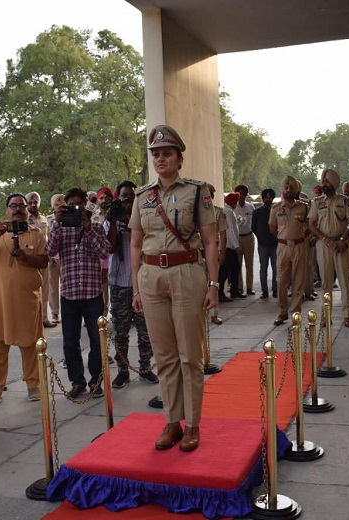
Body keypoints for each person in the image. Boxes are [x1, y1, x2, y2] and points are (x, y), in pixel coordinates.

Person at [130, 124, 219, 453]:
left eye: (167, 153)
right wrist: (135, 288)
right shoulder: (143, 196)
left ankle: (193, 424)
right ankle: (172, 421)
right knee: (164, 356)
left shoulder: (198, 192)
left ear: (180, 158)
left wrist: (213, 284)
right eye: (156, 154)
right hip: (151, 278)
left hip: (186, 273)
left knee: (189, 356)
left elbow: (210, 241)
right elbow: (135, 244)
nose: (160, 158)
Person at [0, 193, 49, 405]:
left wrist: (26, 258)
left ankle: (33, 385)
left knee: (29, 343)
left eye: (21, 206)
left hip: (26, 300)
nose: (18, 209)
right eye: (13, 206)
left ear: (27, 210)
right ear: (6, 210)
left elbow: (44, 262)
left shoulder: (36, 234)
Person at [47, 187, 110, 398]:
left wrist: (88, 228)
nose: (76, 209)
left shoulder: (96, 228)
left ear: (86, 205)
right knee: (70, 342)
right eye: (70, 206)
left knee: (96, 340)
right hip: (70, 296)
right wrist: (57, 223)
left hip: (92, 293)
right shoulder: (60, 228)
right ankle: (77, 382)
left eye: (79, 205)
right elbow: (49, 251)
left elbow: (104, 253)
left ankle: (96, 381)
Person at [106, 181, 158, 388]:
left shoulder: (144, 218)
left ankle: (145, 368)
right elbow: (110, 248)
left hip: (143, 282)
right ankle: (123, 371)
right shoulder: (111, 220)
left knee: (146, 331)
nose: (126, 200)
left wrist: (130, 218)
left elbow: (146, 243)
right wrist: (112, 220)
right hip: (119, 283)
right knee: (120, 331)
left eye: (131, 197)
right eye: (124, 196)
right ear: (118, 198)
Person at [308, 169, 349, 327]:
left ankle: (348, 315)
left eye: (327, 181)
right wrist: (322, 238)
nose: (324, 184)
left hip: (341, 245)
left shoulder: (345, 201)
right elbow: (311, 223)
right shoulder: (317, 202)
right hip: (324, 245)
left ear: (334, 183)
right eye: (323, 181)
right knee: (326, 283)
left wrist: (343, 239)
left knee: (344, 282)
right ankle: (325, 316)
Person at [270, 176, 309, 326]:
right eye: (286, 188)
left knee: (299, 281)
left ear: (296, 189)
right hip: (283, 248)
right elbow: (272, 228)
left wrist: (302, 237)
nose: (289, 190)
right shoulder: (276, 208)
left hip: (299, 246)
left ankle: (296, 313)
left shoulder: (303, 207)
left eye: (291, 187)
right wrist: (283, 238)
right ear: (282, 189)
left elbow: (309, 225)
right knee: (281, 281)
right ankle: (282, 312)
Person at [26, 192, 56, 328]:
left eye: (35, 202)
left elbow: (49, 237)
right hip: (30, 259)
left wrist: (52, 256)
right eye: (30, 202)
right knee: (30, 290)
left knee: (45, 289)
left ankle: (44, 318)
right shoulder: (23, 220)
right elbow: (23, 241)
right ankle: (31, 320)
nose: (33, 205)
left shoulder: (44, 219)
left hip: (45, 258)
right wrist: (31, 250)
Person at [252, 188, 278, 299]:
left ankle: (276, 290)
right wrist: (261, 237)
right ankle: (264, 291)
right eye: (266, 197)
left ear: (272, 198)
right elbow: (254, 228)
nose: (268, 199)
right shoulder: (257, 212)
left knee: (276, 268)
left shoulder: (277, 210)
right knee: (263, 268)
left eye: (269, 197)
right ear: (263, 199)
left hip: (275, 243)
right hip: (263, 245)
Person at [208, 184, 227, 324]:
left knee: (213, 282)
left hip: (213, 248)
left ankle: (214, 314)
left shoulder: (218, 212)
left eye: (209, 194)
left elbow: (223, 233)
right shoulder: (194, 212)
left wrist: (223, 251)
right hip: (197, 250)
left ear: (212, 196)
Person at [219, 192, 242, 300]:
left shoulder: (228, 211)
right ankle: (228, 292)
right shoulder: (228, 212)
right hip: (229, 246)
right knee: (229, 269)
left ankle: (233, 291)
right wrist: (236, 246)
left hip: (230, 245)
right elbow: (229, 230)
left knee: (231, 269)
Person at [233, 184, 255, 295]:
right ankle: (239, 288)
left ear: (246, 195)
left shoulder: (250, 207)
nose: (241, 196)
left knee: (249, 264)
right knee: (238, 264)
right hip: (237, 239)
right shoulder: (233, 207)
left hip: (249, 237)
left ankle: (250, 288)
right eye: (239, 193)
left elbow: (254, 222)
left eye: (243, 193)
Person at [47, 194, 65, 323]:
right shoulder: (48, 220)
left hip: (65, 257)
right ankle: (54, 313)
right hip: (53, 258)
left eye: (62, 204)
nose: (59, 206)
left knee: (65, 285)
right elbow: (47, 239)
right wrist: (50, 257)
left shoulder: (70, 218)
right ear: (53, 206)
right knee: (53, 286)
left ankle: (66, 312)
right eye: (56, 205)